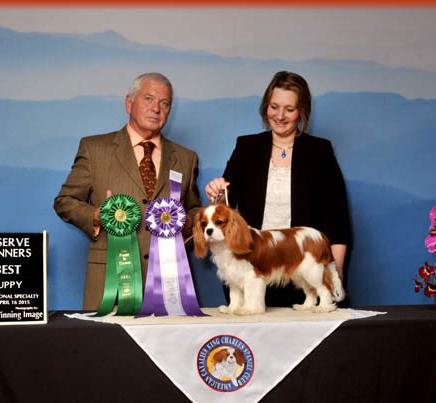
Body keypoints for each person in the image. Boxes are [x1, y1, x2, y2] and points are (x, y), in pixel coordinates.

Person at [54, 72, 201, 310]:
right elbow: (65, 201)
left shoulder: (186, 158)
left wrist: (184, 222)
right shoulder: (94, 149)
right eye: (149, 99)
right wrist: (98, 215)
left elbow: (193, 209)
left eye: (165, 103)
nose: (156, 108)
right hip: (109, 287)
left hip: (169, 288)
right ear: (129, 103)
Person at [205, 71, 351, 307]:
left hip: (302, 272)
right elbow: (226, 205)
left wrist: (335, 271)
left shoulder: (320, 151)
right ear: (265, 107)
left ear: (302, 112)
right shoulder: (246, 147)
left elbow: (337, 219)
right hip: (250, 269)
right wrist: (217, 193)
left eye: (289, 109)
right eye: (274, 107)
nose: (280, 116)